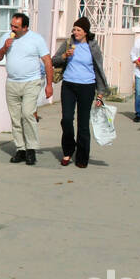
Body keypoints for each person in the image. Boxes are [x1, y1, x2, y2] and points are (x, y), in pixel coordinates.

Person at [0, 12, 53, 166]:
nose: (12, 28)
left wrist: (49, 85)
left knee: (27, 114)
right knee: (15, 117)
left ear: (25, 27)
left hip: (31, 82)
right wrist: (4, 48)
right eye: (11, 25)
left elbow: (47, 61)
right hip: (12, 82)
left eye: (16, 26)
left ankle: (31, 149)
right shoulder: (6, 37)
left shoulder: (36, 39)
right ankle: (21, 149)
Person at [51, 17, 109, 169]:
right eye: (74, 30)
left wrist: (100, 93)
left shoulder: (93, 46)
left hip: (87, 86)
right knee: (67, 119)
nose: (75, 32)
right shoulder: (69, 43)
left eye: (78, 30)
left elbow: (99, 69)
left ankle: (82, 156)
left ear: (85, 32)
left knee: (83, 124)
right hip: (69, 85)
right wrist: (64, 56)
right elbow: (54, 60)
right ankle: (68, 150)